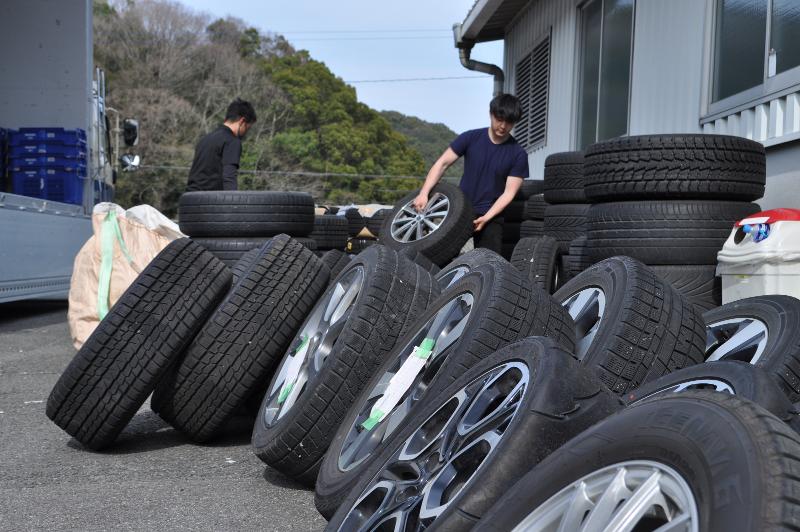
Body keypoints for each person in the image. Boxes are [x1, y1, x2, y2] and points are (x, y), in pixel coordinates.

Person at [413, 93, 529, 253]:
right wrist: (424, 193)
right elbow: (442, 164)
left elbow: (509, 193)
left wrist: (487, 217)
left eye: (509, 122)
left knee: (487, 263)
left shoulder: (518, 154)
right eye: (499, 119)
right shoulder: (470, 137)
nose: (503, 126)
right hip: (461, 209)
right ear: (491, 114)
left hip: (491, 215)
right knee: (439, 254)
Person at [186, 98, 257, 191]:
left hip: (189, 199)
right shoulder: (232, 141)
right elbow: (229, 177)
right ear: (242, 121)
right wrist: (233, 203)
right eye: (247, 128)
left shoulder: (205, 139)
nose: (246, 132)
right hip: (210, 201)